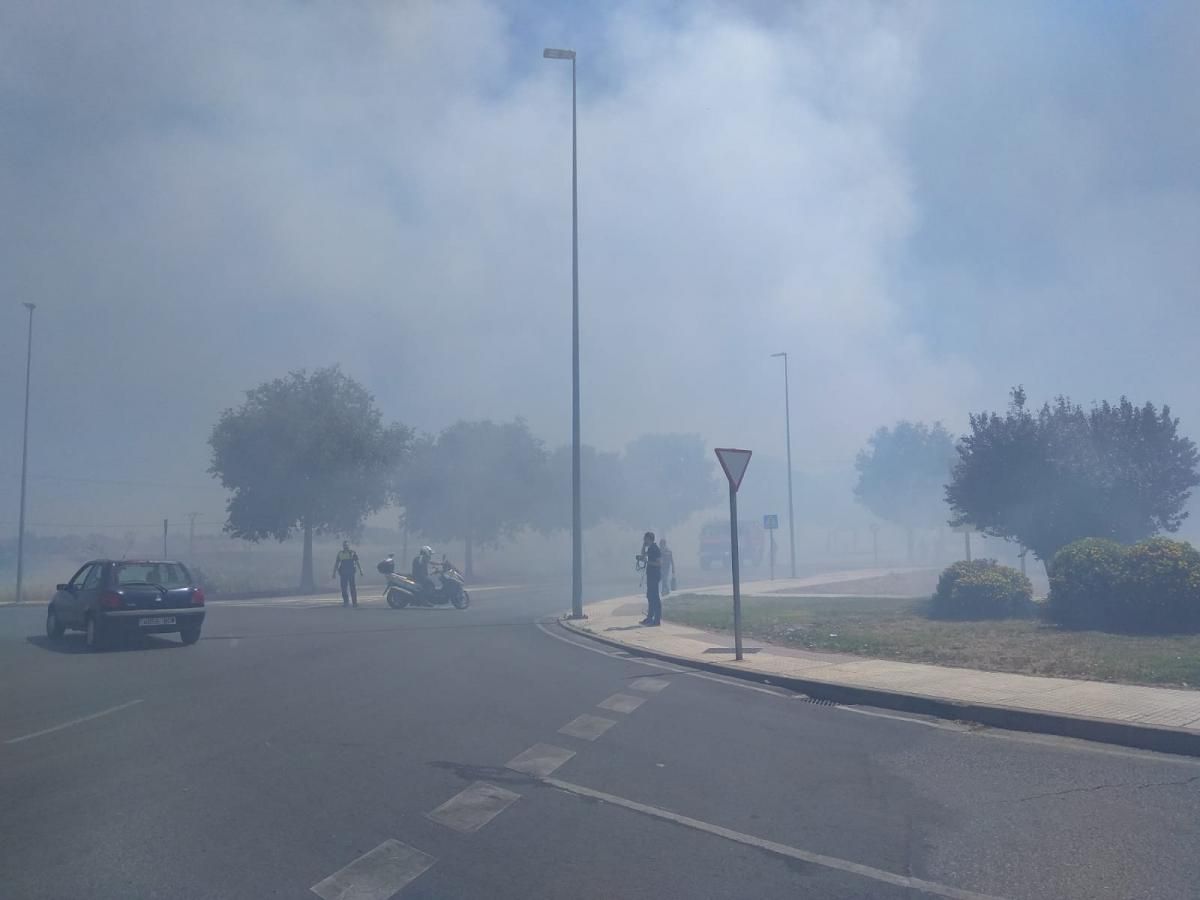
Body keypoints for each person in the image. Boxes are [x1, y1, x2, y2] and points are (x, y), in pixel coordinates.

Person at [333, 541, 364, 607]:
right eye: (344, 545)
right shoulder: (340, 553)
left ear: (349, 546)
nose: (345, 546)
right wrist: (334, 573)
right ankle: (346, 602)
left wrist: (361, 570)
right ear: (343, 546)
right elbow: (337, 564)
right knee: (343, 588)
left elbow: (357, 562)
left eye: (346, 545)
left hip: (351, 573)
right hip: (343, 573)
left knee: (352, 587)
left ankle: (354, 602)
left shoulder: (352, 553)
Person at [641, 531, 662, 626]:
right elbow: (643, 556)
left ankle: (657, 620)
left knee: (655, 597)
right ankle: (649, 617)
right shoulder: (650, 548)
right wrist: (643, 546)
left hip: (655, 575)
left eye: (645, 539)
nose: (644, 540)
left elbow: (659, 563)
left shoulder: (655, 549)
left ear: (649, 539)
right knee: (650, 596)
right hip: (650, 575)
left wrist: (648, 562)